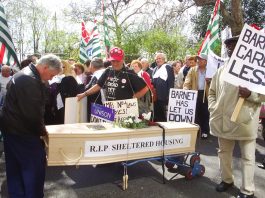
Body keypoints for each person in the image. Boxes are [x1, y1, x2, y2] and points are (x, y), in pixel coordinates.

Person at [208, 36, 265, 198]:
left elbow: (263, 95)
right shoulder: (221, 70)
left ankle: (248, 190)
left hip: (245, 122)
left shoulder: (254, 69)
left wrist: (251, 94)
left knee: (248, 157)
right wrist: (213, 108)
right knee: (224, 152)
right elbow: (211, 92)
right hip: (223, 120)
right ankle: (227, 180)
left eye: (234, 46)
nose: (230, 49)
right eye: (229, 47)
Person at [0, 54, 62, 198]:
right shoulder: (30, 80)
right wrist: (43, 132)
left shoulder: (24, 73)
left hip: (12, 129)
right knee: (33, 170)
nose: (52, 78)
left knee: (15, 169)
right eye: (52, 75)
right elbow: (32, 115)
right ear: (45, 67)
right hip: (23, 132)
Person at [77, 47, 148, 107]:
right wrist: (84, 94)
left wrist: (132, 100)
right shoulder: (108, 70)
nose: (115, 63)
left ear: (122, 59)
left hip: (125, 109)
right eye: (113, 61)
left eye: (118, 61)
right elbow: (98, 85)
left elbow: (145, 88)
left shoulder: (129, 72)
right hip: (110, 108)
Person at [183, 53, 210, 139]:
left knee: (205, 113)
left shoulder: (210, 70)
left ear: (205, 61)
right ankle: (197, 130)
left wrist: (210, 82)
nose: (198, 61)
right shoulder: (193, 69)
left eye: (200, 59)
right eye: (198, 59)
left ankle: (205, 131)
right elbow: (187, 80)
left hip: (206, 94)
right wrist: (185, 89)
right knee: (196, 112)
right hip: (196, 93)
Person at [152, 52, 175, 121]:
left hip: (164, 96)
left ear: (164, 59)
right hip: (156, 96)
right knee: (157, 114)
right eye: (157, 59)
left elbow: (171, 81)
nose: (158, 60)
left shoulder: (168, 67)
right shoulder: (155, 69)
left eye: (160, 58)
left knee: (163, 114)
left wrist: (169, 95)